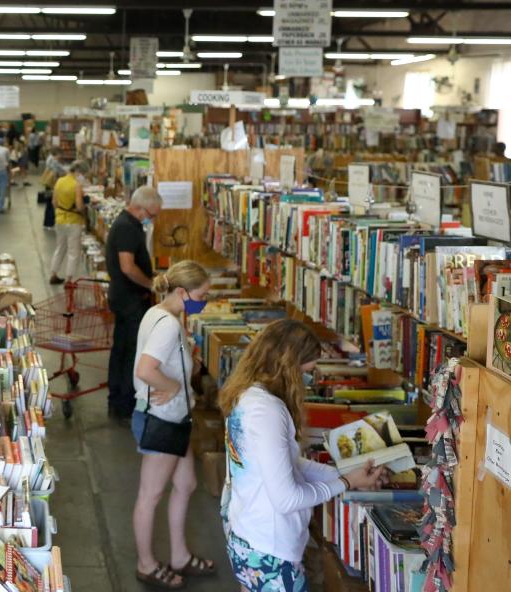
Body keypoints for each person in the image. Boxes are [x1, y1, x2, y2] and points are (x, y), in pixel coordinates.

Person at [219, 319, 389, 592]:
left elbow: (287, 464)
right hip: (270, 547)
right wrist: (344, 484)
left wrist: (346, 475)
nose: (309, 380)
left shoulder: (247, 396)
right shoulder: (269, 411)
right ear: (288, 367)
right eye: (306, 372)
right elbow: (288, 499)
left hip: (248, 533)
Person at [131, 261, 213, 589]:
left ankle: (179, 555)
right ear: (182, 292)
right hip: (162, 420)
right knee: (150, 495)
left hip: (177, 418)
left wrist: (187, 365)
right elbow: (146, 369)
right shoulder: (167, 324)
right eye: (201, 295)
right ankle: (146, 564)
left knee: (186, 484)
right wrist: (172, 387)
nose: (205, 300)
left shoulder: (158, 313)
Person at [105, 186, 161, 419]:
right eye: (152, 214)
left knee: (122, 348)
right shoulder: (128, 228)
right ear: (140, 208)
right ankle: (125, 401)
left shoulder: (127, 224)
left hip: (124, 297)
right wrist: (150, 284)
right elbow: (128, 267)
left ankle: (117, 398)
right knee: (130, 352)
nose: (153, 218)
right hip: (130, 300)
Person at [48, 160, 89, 285]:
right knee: (73, 251)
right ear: (79, 172)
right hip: (73, 221)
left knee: (60, 248)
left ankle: (53, 274)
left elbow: (54, 202)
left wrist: (62, 211)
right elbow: (79, 205)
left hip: (59, 219)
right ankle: (69, 279)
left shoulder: (60, 181)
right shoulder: (76, 185)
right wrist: (83, 208)